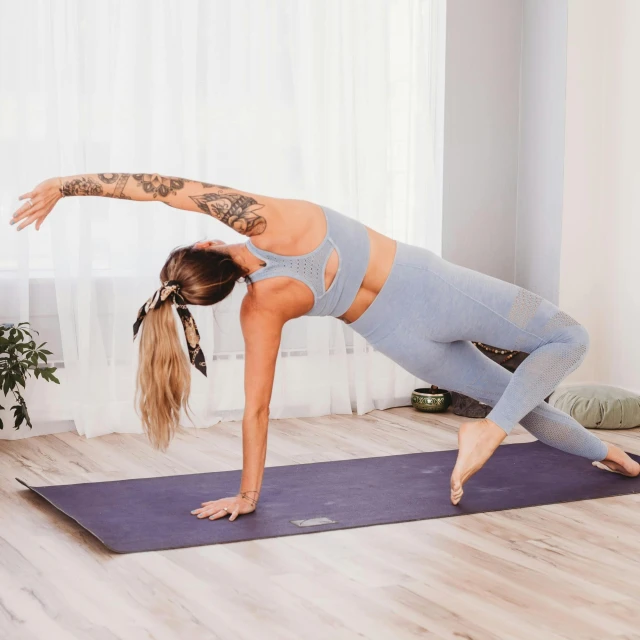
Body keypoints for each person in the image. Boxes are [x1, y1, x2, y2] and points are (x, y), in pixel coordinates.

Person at [11, 174, 640, 519]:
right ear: (206, 248)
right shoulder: (269, 220)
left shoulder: (261, 308)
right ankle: (486, 434)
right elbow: (161, 186)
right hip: (437, 290)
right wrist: (69, 186)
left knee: (522, 402)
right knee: (569, 336)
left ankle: (615, 455)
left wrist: (248, 498)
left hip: (400, 340)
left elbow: (256, 412)